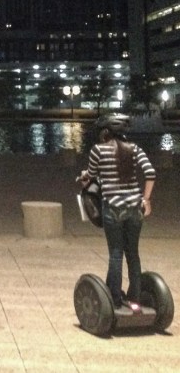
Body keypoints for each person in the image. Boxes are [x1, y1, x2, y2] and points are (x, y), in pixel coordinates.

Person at [80, 113, 156, 312]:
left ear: (106, 131)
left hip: (112, 208)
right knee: (133, 253)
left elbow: (91, 175)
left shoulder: (98, 150)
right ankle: (135, 299)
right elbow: (150, 172)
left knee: (115, 254)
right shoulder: (135, 149)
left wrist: (84, 177)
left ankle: (114, 299)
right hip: (134, 208)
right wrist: (146, 199)